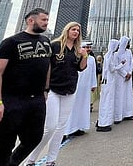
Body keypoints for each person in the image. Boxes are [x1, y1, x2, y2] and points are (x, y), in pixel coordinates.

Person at [0, 8, 52, 166]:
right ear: (31, 20)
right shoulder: (11, 42)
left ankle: (12, 163)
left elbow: (47, 65)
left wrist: (45, 89)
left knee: (34, 138)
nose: (46, 23)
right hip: (12, 100)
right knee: (2, 146)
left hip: (36, 100)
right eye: (43, 20)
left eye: (47, 20)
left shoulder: (45, 41)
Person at [26, 22, 88, 166]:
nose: (76, 32)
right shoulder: (54, 45)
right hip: (53, 89)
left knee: (61, 127)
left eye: (78, 30)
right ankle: (31, 158)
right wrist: (44, 89)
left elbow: (81, 68)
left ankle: (51, 160)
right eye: (73, 29)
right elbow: (46, 67)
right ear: (67, 30)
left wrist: (84, 56)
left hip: (70, 90)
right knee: (50, 127)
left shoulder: (77, 50)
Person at [65, 42, 97, 137]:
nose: (88, 49)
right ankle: (67, 130)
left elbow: (93, 72)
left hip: (85, 88)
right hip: (75, 86)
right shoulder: (75, 57)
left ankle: (78, 127)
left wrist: (93, 84)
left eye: (89, 47)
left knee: (82, 107)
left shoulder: (91, 59)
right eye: (86, 47)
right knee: (72, 107)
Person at [96, 39, 119, 132]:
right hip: (108, 82)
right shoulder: (109, 56)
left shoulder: (110, 55)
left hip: (109, 82)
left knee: (107, 102)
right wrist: (121, 64)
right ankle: (103, 123)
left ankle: (104, 121)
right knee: (107, 102)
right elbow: (112, 69)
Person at [114, 36, 133, 122]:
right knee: (120, 96)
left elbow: (131, 63)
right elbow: (116, 66)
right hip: (120, 77)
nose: (128, 45)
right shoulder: (117, 53)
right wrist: (125, 74)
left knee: (128, 95)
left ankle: (128, 114)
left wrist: (129, 73)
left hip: (128, 77)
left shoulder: (129, 52)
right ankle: (119, 116)